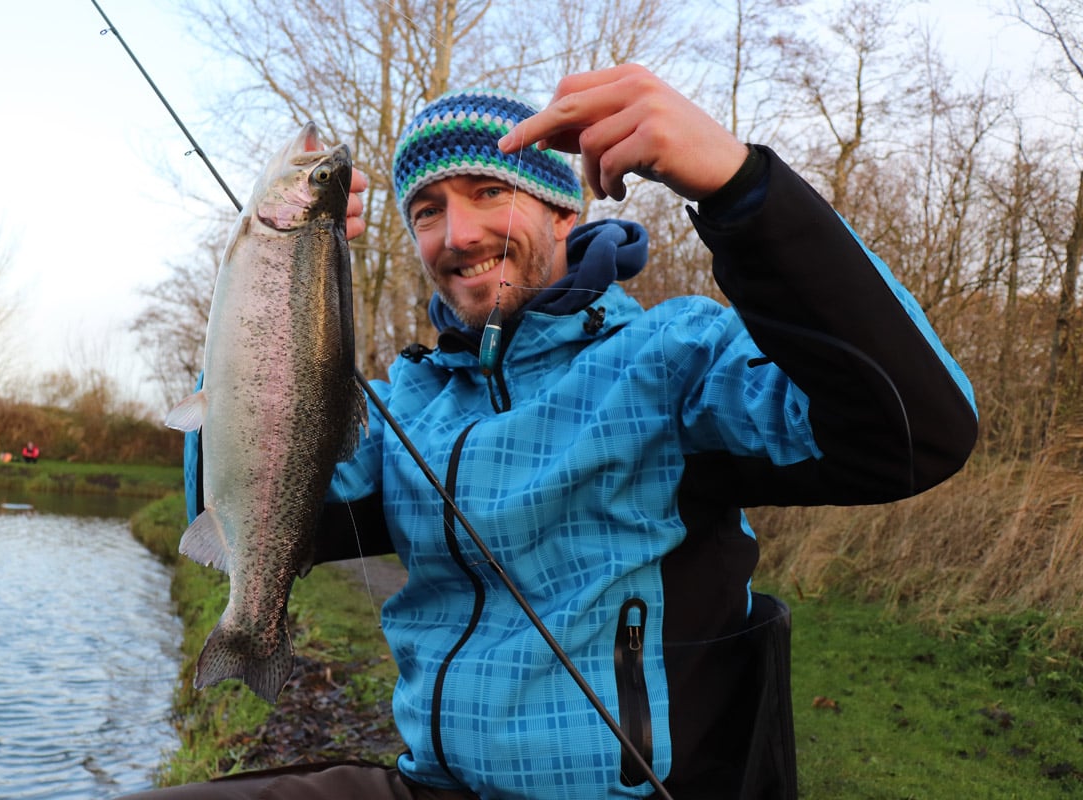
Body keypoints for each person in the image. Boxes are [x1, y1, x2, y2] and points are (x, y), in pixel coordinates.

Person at [123, 64, 977, 800]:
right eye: (426, 209)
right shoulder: (406, 406)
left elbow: (913, 429)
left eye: (490, 191)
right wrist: (267, 305)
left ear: (564, 209)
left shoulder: (675, 358)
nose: (458, 234)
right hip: (434, 785)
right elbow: (262, 521)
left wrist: (740, 187)